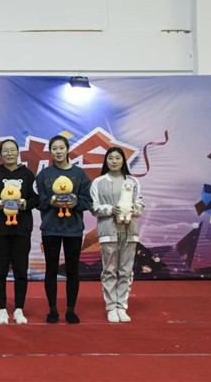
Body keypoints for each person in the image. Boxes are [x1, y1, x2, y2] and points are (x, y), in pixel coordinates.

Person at [36, 135, 91, 324]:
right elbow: (38, 201)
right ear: (50, 152)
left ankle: (70, 310)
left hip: (73, 229)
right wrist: (50, 201)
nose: (58, 152)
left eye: (61, 148)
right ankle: (52, 310)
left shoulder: (79, 174)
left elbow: (88, 201)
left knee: (72, 271)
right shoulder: (44, 175)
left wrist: (76, 202)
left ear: (67, 150)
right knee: (51, 270)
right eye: (54, 148)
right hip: (50, 229)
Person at [0, 139, 39, 325]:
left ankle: (18, 309)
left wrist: (24, 204)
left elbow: (36, 199)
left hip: (21, 229)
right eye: (5, 151)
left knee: (20, 270)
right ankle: (1, 308)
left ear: (18, 152)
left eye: (12, 150)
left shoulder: (27, 174)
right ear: (0, 154)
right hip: (0, 229)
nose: (9, 153)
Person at [90, 147, 144, 323]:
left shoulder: (133, 181)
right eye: (110, 158)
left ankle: (122, 306)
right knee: (109, 270)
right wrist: (111, 209)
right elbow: (94, 207)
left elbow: (140, 206)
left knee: (126, 271)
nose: (114, 161)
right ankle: (111, 307)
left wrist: (132, 209)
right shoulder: (98, 182)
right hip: (108, 232)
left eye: (117, 158)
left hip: (130, 232)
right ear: (106, 161)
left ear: (123, 161)